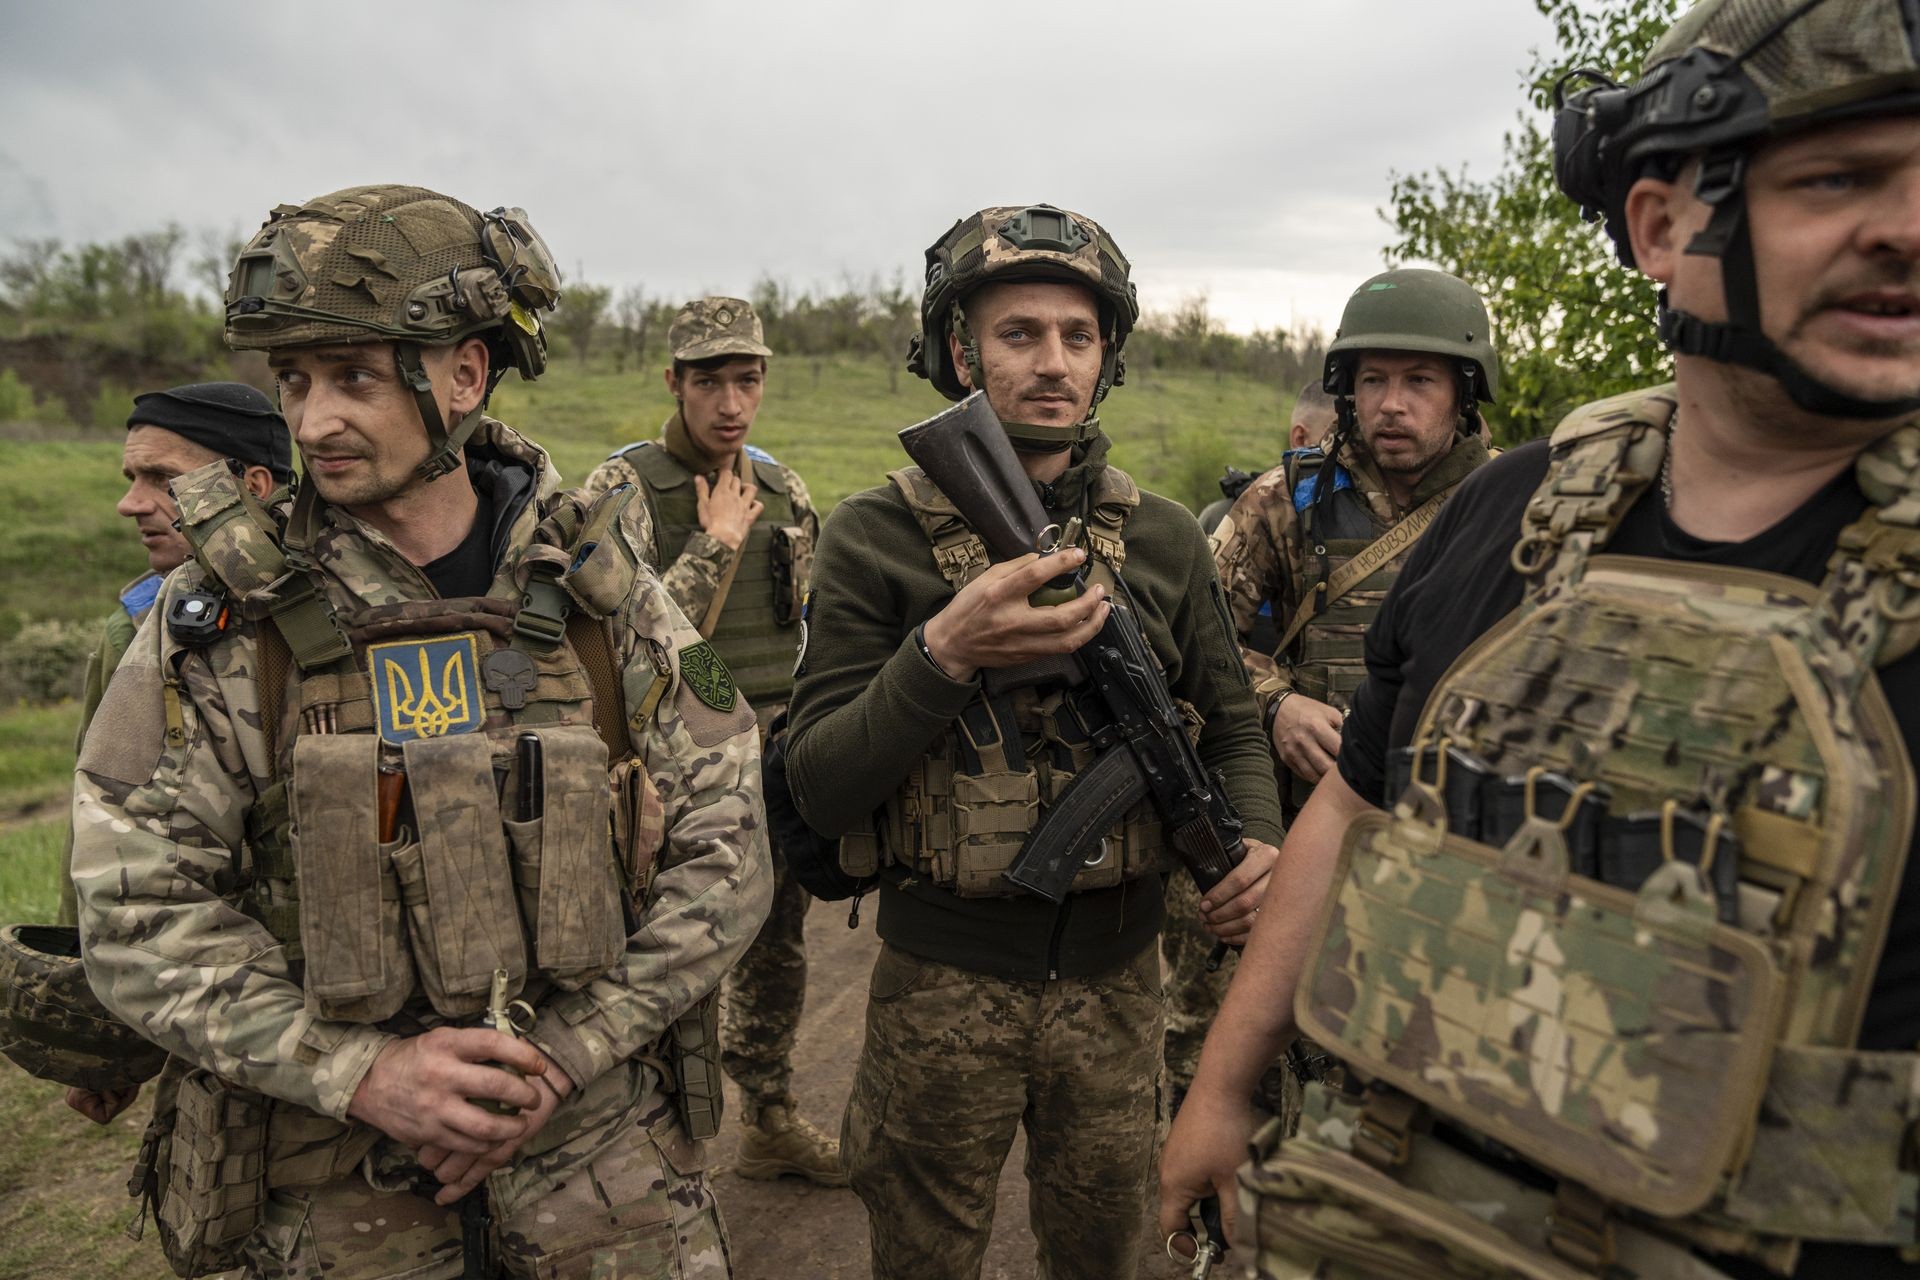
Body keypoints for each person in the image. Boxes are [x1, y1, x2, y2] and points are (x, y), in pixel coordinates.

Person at [1160, 3, 1920, 1277]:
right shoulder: (1516, 509)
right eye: (1837, 178)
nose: (1905, 227)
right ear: (1661, 226)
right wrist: (1225, 1086)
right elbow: (1353, 804)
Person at [68, 184, 771, 1279]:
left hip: (605, 1194)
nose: (311, 422)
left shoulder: (611, 591)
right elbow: (131, 904)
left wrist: (561, 1051)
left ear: (464, 374)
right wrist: (362, 1072)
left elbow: (730, 838)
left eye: (354, 375)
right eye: (293, 381)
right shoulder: (214, 620)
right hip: (330, 1209)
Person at [784, 203, 1283, 1280]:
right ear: (960, 349)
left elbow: (1234, 719)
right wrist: (944, 651)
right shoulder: (877, 534)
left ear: (1108, 356)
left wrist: (1255, 847)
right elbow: (818, 783)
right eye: (1018, 333)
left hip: (1118, 993)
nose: (1051, 361)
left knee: (1108, 1254)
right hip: (937, 991)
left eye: (1077, 333)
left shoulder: (1160, 538)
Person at [1162, 270, 1500, 1108]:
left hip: (1445, 838)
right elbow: (1190, 645)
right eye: (1374, 380)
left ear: (1462, 390)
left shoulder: (1517, 505)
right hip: (1290, 825)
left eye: (1419, 381)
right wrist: (1276, 703)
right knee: (1233, 1038)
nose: (1393, 403)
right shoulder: (1287, 502)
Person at [582, 297, 838, 1185]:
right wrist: (717, 543)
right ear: (675, 383)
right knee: (657, 953)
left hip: (769, 751)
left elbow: (804, 630)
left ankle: (767, 1112)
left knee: (775, 943)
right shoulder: (621, 490)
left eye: (747, 379)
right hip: (667, 768)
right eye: (709, 381)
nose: (730, 402)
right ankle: (631, 1138)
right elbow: (615, 649)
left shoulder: (787, 489)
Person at [54, 382, 292, 1132]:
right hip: (214, 1014)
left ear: (251, 485)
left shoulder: (348, 606)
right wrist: (100, 1036)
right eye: (132, 479)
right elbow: (98, 839)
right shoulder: (135, 634)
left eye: (161, 478)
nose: (133, 502)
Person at [1195, 382, 1340, 537]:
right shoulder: (1223, 518)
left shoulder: (1361, 513)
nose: (1349, 449)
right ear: (1300, 438)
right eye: (1336, 437)